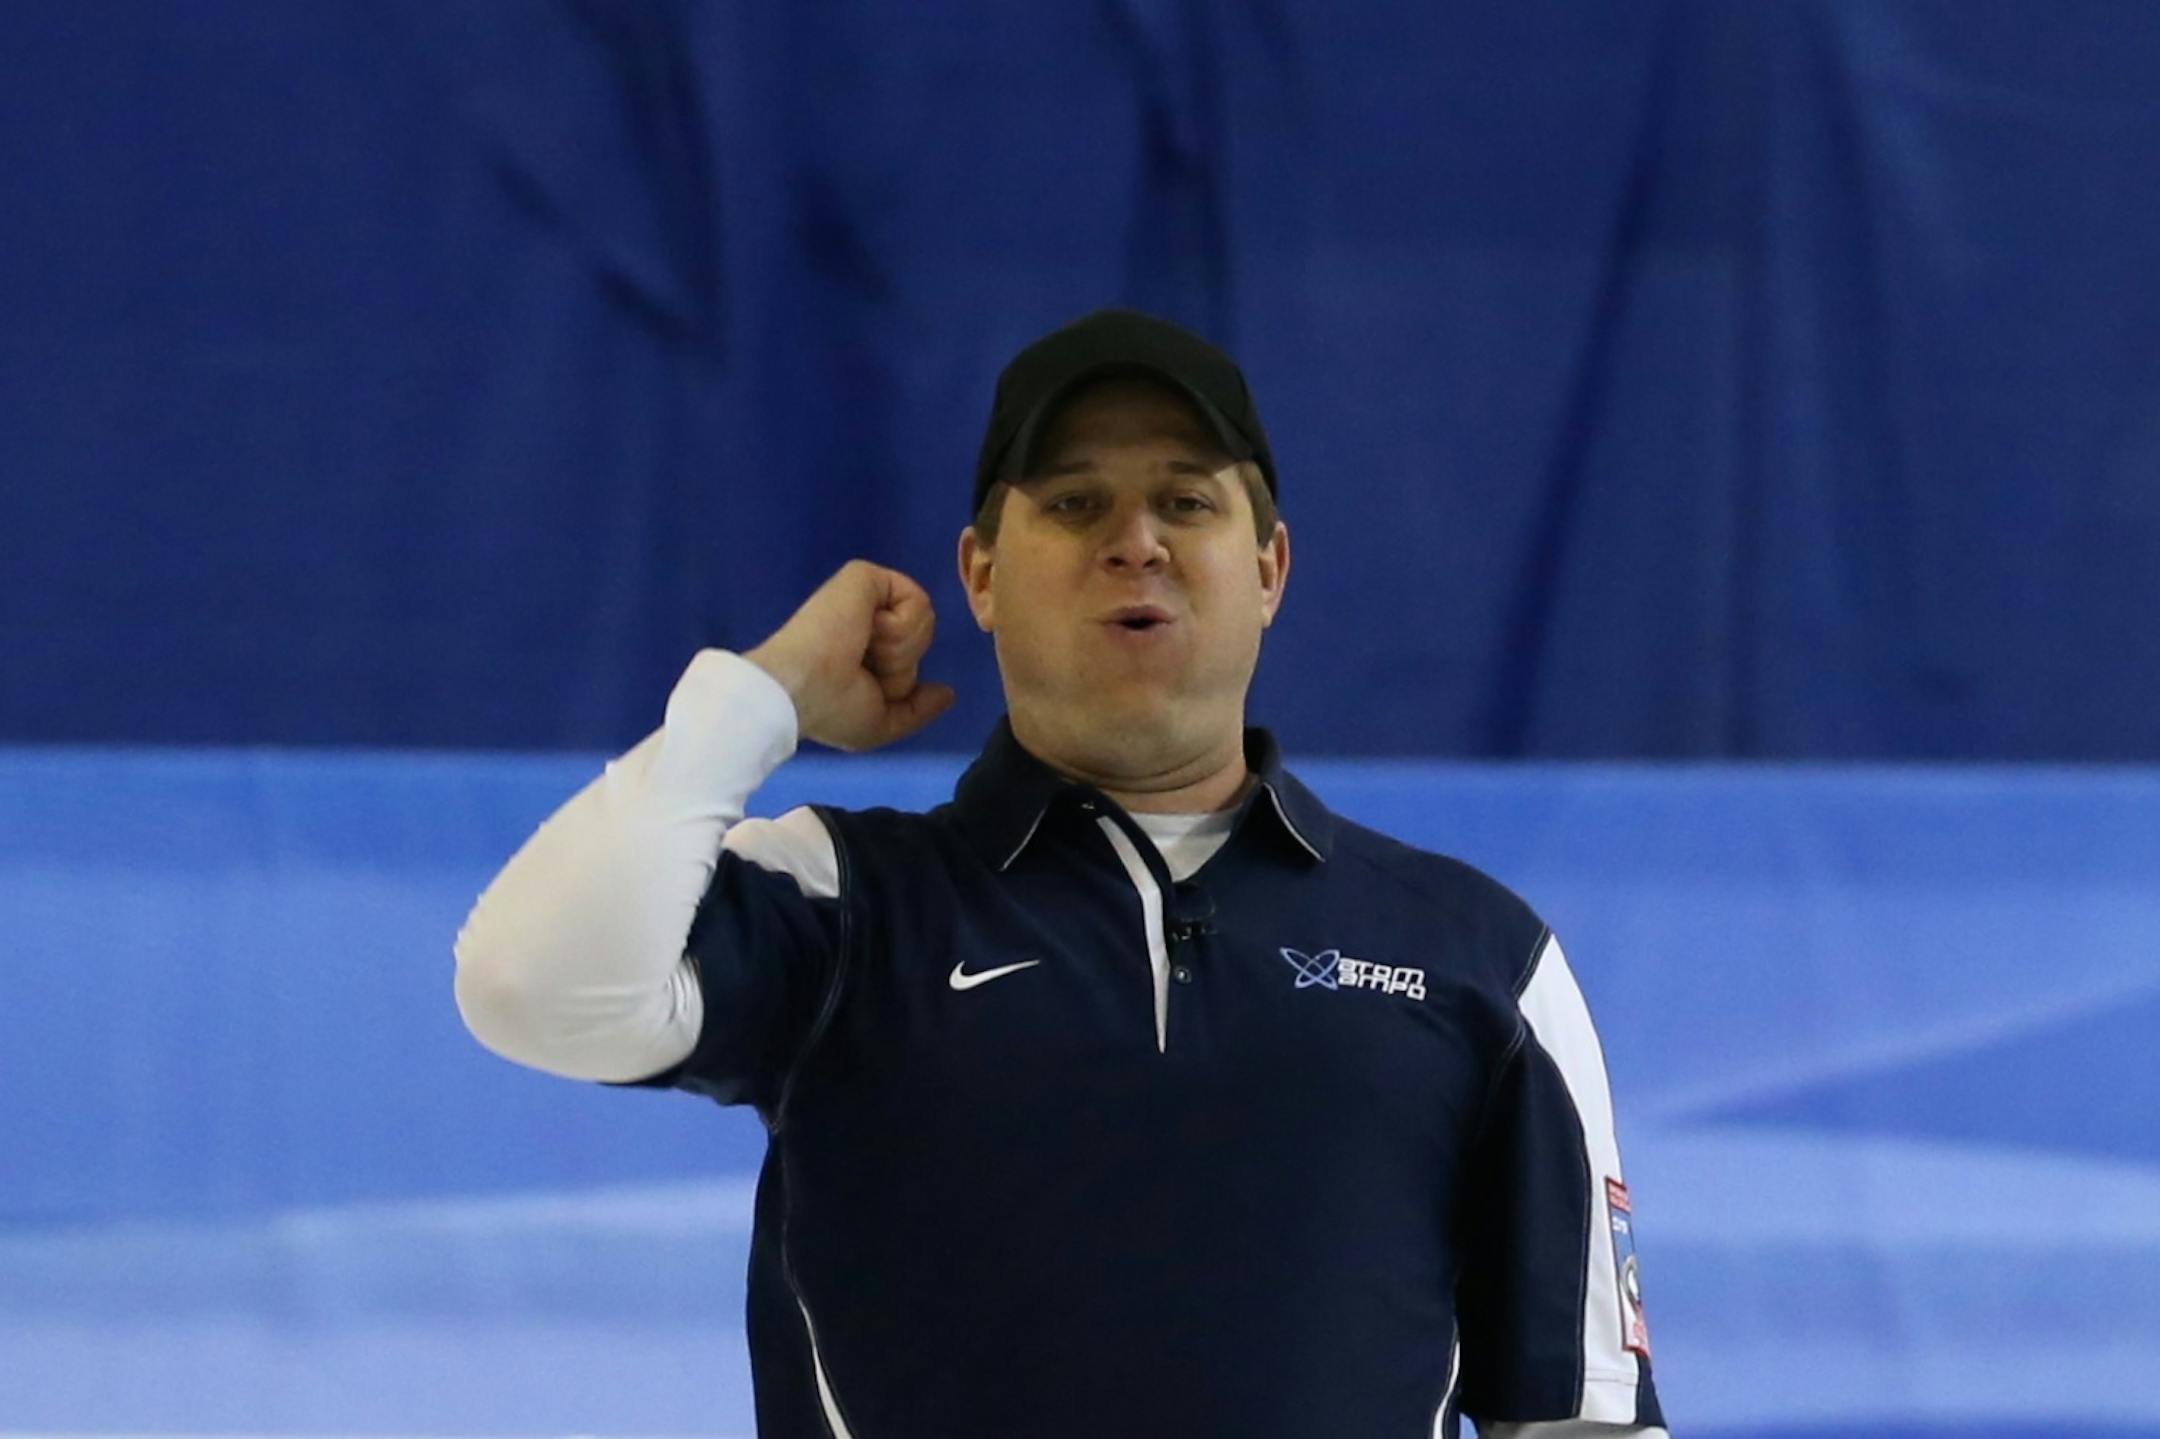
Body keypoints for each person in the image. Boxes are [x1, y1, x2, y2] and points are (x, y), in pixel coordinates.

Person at [454, 308, 1668, 1438]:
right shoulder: (844, 902)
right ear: (980, 574)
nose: (1134, 542)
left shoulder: (1477, 955)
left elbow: (1582, 1419)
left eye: (1187, 503)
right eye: (1077, 503)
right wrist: (762, 697)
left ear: (1270, 568)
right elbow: (529, 984)